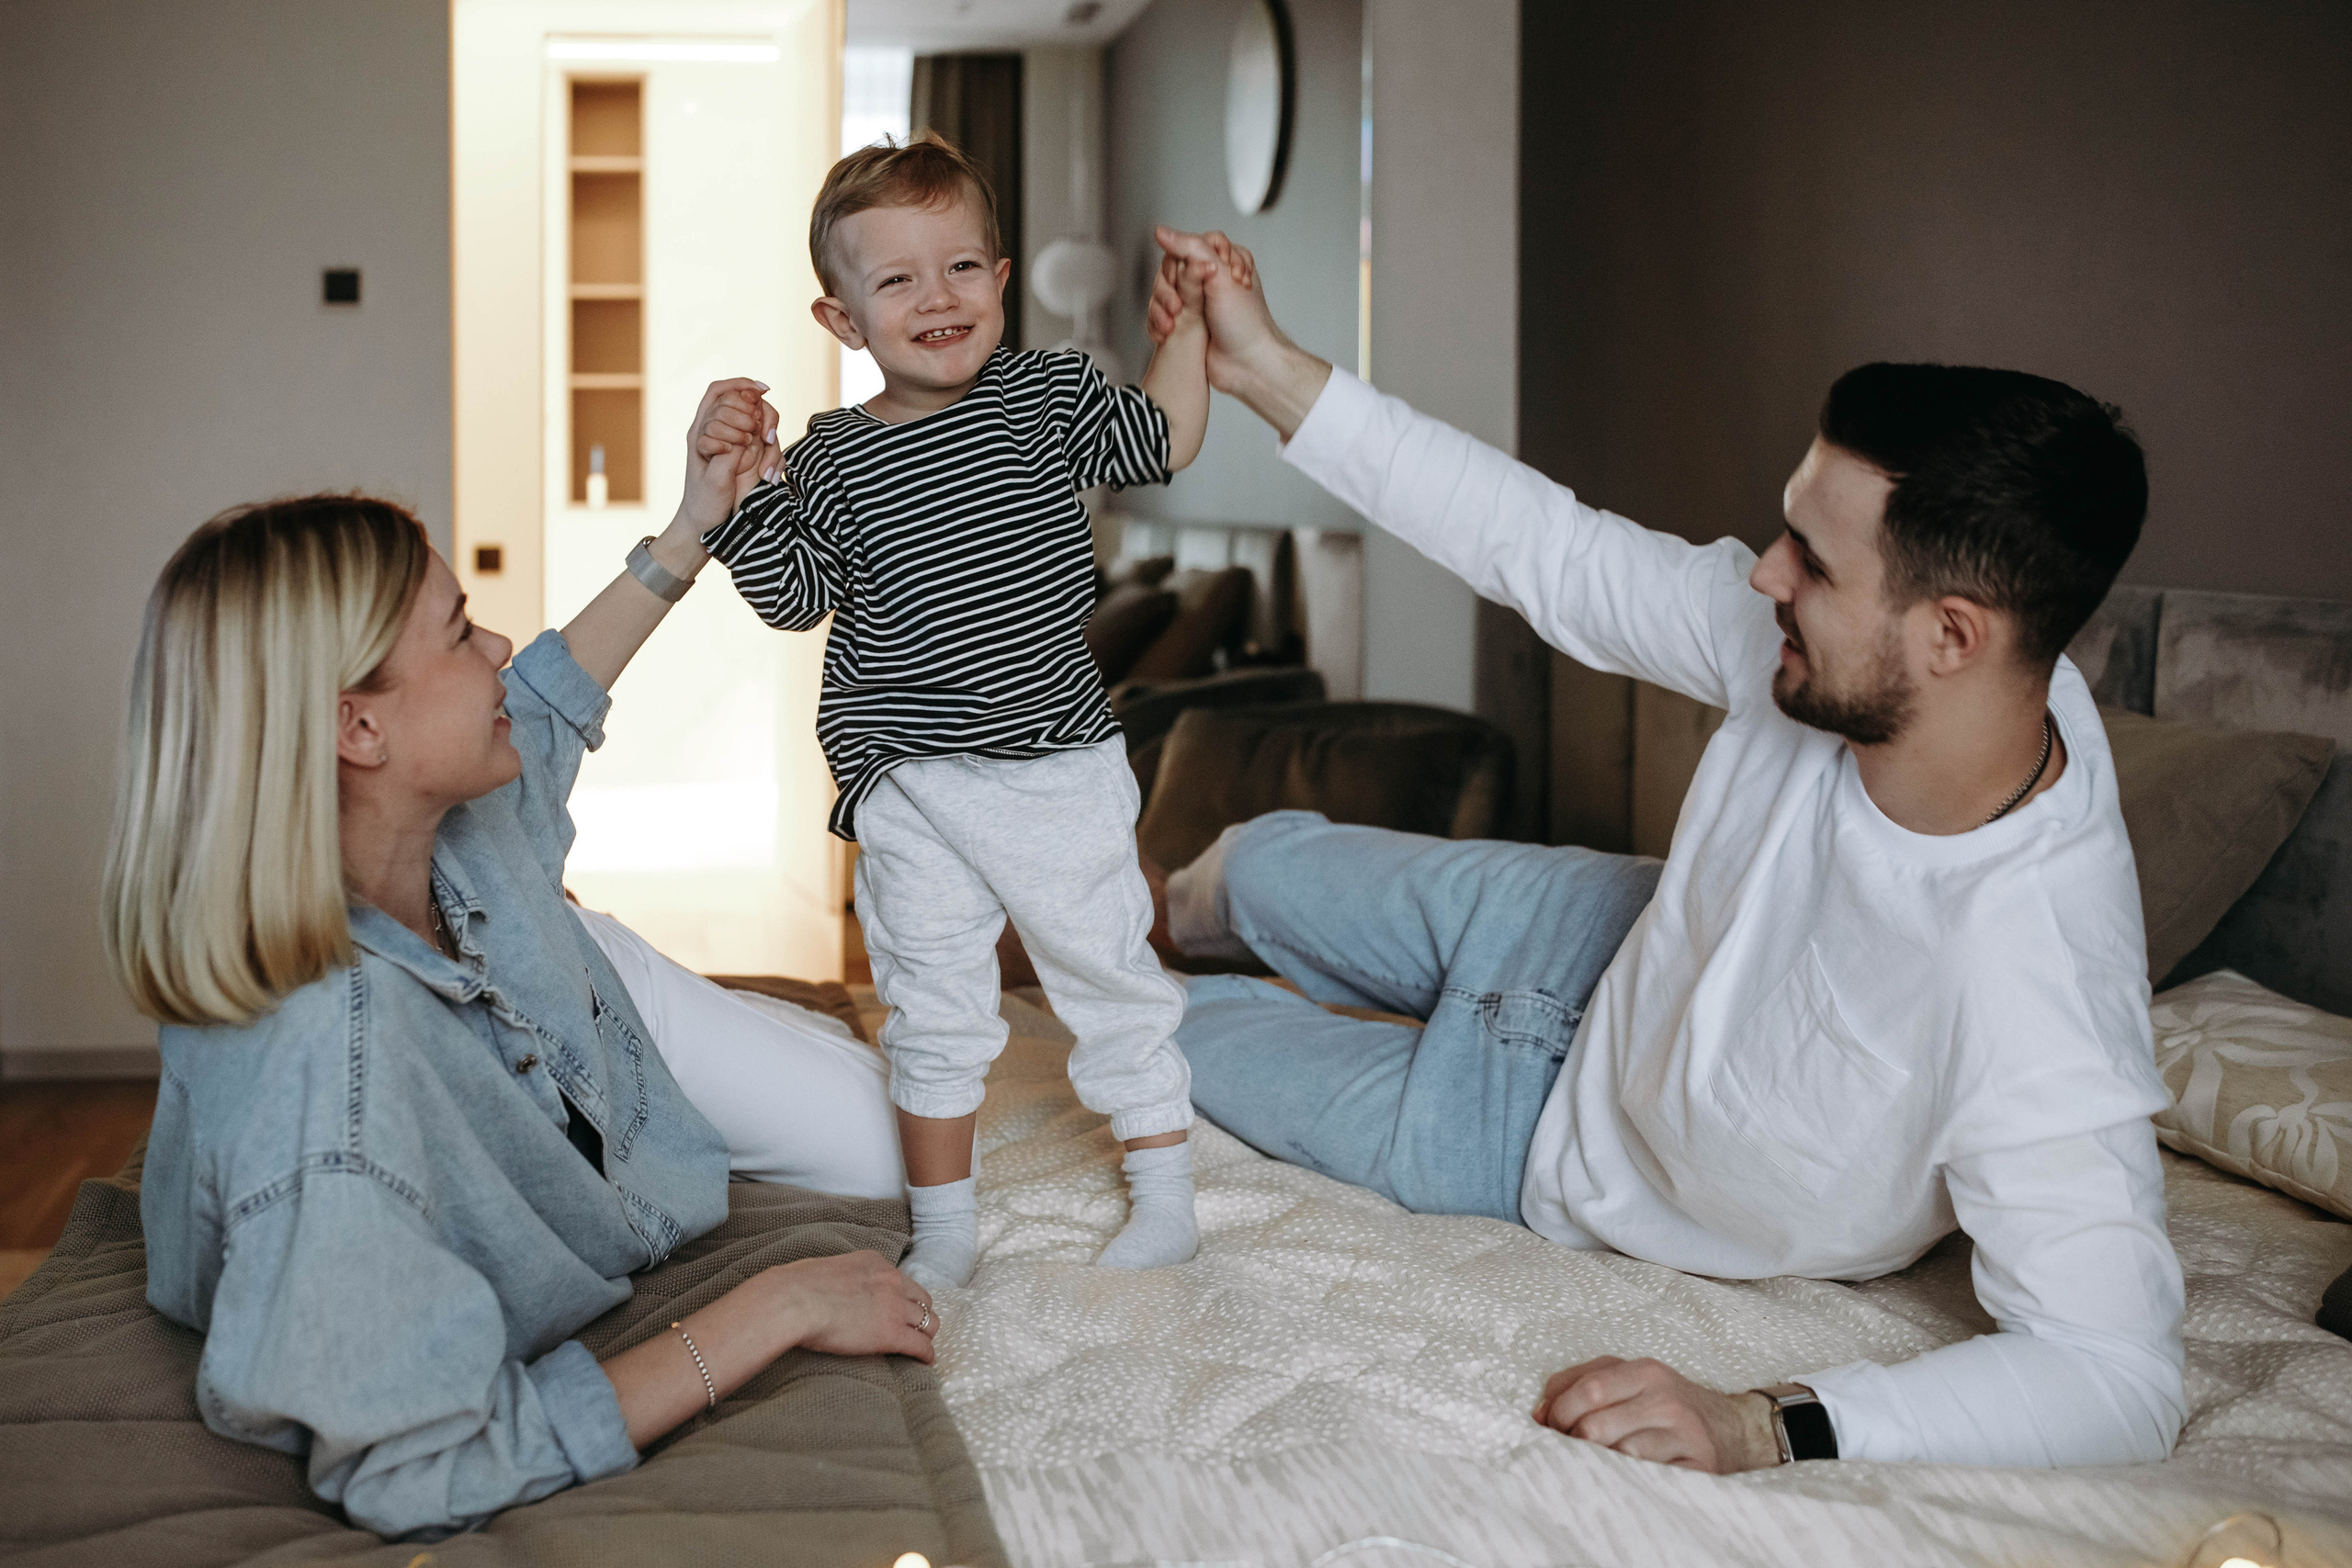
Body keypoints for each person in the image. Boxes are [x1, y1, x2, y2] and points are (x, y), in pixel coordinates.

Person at [1140, 229, 2186, 1473]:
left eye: (1812, 559)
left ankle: (1102, 964)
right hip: (1591, 933)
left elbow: (2117, 1374)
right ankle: (1112, 913)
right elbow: (1552, 547)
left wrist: (1767, 1418)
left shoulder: (2038, 977)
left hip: (1534, 1142)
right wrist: (1262, 368)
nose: (1765, 574)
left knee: (1159, 1032)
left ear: (1952, 634)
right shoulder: (1872, 658)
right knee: (1253, 863)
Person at [105, 381, 938, 1540]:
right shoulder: (332, 1081)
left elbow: (542, 699)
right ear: (357, 728)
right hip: (537, 996)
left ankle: (608, 949)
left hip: (569, 970)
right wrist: (773, 1305)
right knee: (886, 1141)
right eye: (459, 631)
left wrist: (695, 526)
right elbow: (429, 1466)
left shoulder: (436, 818)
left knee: (887, 1114)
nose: (495, 641)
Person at [694, 135, 1214, 1292]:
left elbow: (1162, 439)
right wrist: (740, 499)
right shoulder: (827, 454)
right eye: (897, 280)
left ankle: (1166, 1197)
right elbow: (791, 596)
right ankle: (944, 1228)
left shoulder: (1047, 390)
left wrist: (1184, 340)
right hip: (909, 778)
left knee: (1106, 975)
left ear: (1002, 275)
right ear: (842, 322)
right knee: (930, 1001)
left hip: (1055, 761)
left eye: (962, 268)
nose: (938, 298)